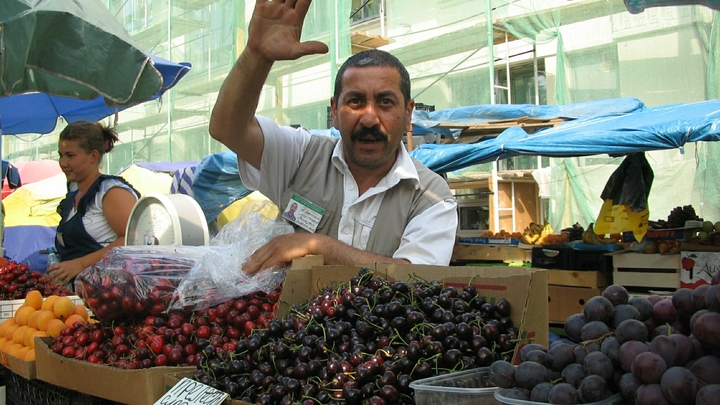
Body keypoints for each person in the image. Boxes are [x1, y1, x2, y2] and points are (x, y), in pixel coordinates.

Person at [209, 0, 458, 273]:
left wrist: (319, 246)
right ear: (335, 112)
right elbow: (228, 128)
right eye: (355, 101)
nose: (369, 117)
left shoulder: (431, 197)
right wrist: (257, 54)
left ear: (408, 113)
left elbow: (416, 279)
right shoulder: (302, 155)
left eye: (386, 102)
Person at [47, 121, 140, 286]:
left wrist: (81, 263)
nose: (63, 163)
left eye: (70, 155)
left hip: (110, 292)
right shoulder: (73, 194)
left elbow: (132, 240)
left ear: (93, 156)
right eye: (61, 155)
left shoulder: (112, 192)